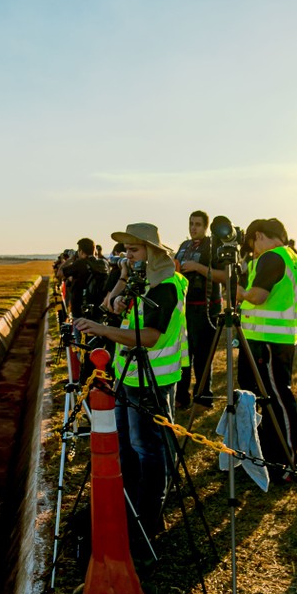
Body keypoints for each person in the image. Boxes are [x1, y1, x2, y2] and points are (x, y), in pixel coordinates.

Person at [74, 222, 188, 548]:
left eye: (134, 250)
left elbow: (149, 337)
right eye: (125, 251)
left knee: (149, 450)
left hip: (153, 380)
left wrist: (103, 330)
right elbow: (109, 304)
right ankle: (130, 508)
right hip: (129, 375)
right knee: (127, 446)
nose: (128, 255)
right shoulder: (141, 279)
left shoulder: (165, 285)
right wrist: (123, 276)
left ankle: (149, 518)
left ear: (152, 252)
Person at [235, 218, 297, 482]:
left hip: (266, 340)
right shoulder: (295, 260)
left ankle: (287, 462)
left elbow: (258, 296)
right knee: (271, 400)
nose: (253, 251)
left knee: (277, 399)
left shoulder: (272, 257)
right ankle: (271, 458)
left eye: (252, 244)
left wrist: (239, 292)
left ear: (260, 236)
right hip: (278, 338)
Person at [174, 210, 217, 409]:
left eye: (198, 224)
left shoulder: (213, 245)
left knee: (202, 356)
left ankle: (203, 397)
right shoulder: (184, 246)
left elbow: (223, 275)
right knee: (183, 354)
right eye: (191, 223)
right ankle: (181, 396)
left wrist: (197, 267)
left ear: (206, 227)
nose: (193, 228)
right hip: (183, 307)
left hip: (205, 307)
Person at [57, 237, 109, 321]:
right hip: (99, 305)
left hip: (80, 306)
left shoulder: (80, 264)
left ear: (80, 251)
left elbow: (59, 274)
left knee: (79, 329)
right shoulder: (103, 263)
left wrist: (69, 260)